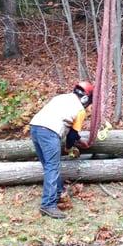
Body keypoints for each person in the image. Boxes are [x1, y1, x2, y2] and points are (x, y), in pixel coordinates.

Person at [30, 81, 94, 219]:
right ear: (86, 98)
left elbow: (71, 131)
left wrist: (77, 140)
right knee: (52, 167)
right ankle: (48, 204)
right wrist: (69, 147)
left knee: (48, 166)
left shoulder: (61, 98)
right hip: (49, 132)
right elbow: (71, 135)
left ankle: (58, 192)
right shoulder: (80, 110)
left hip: (35, 127)